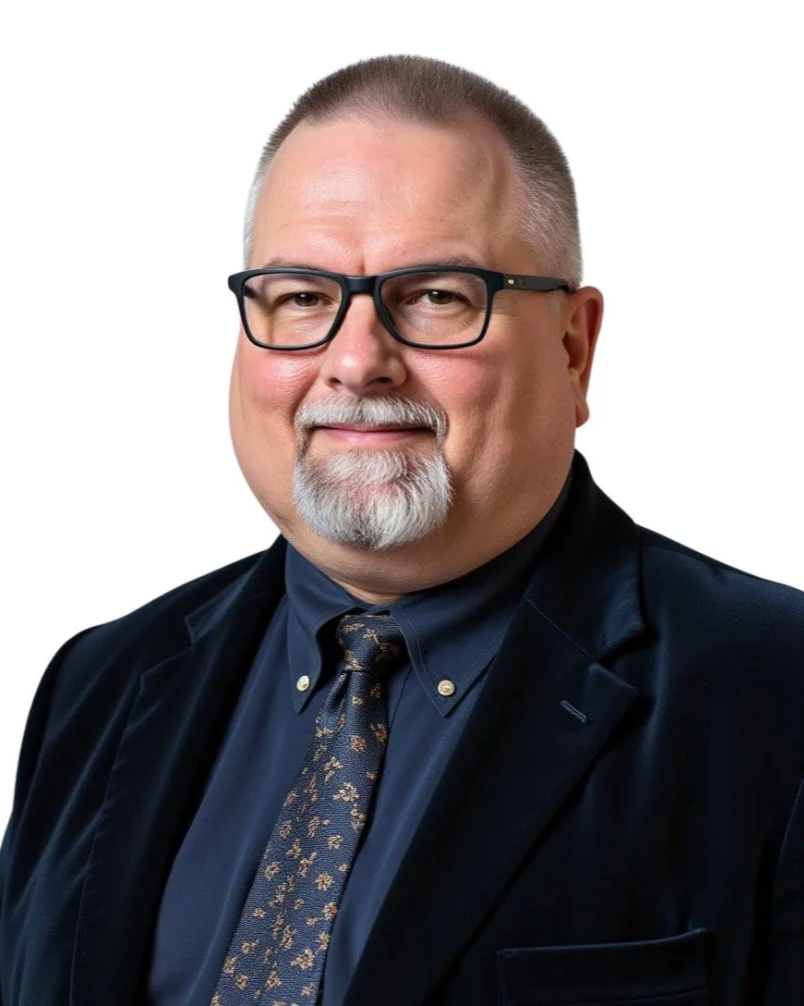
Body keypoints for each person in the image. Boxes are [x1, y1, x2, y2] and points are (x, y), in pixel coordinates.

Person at [0, 52, 802, 1006]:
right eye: (301, 296)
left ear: (573, 349)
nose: (356, 361)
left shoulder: (774, 697)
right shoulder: (98, 683)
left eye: (435, 296)